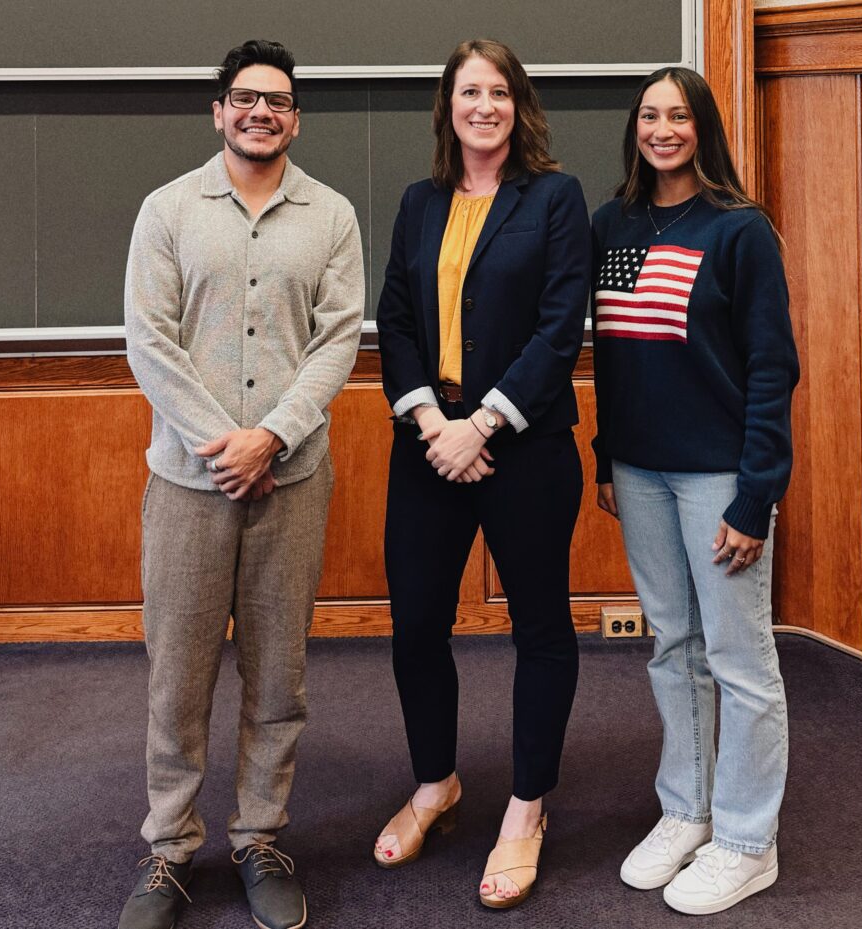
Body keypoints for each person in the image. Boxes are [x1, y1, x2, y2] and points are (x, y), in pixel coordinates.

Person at [120, 39, 364, 929]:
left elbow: (338, 339)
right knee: (177, 676)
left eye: (280, 101)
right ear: (219, 110)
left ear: (295, 118)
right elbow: (149, 340)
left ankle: (260, 835)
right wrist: (224, 443)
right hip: (188, 484)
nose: (262, 112)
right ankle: (171, 847)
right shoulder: (168, 210)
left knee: (278, 677)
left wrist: (271, 437)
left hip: (291, 481)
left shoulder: (330, 215)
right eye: (246, 98)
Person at [374, 38, 591, 909]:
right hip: (429, 446)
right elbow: (393, 317)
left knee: (539, 628)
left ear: (519, 104)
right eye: (470, 92)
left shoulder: (555, 198)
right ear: (448, 106)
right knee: (417, 625)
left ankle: (527, 809)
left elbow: (560, 323)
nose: (484, 106)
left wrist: (485, 422)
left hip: (523, 447)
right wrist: (434, 421)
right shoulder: (419, 203)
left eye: (499, 92)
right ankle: (437, 786)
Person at [592, 66, 799, 915]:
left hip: (719, 475)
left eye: (679, 115)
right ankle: (689, 808)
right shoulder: (616, 222)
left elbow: (772, 369)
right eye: (650, 115)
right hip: (639, 469)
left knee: (740, 661)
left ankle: (749, 840)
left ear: (702, 126)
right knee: (672, 645)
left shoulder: (740, 231)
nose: (663, 128)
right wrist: (608, 457)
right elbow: (618, 350)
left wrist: (756, 496)